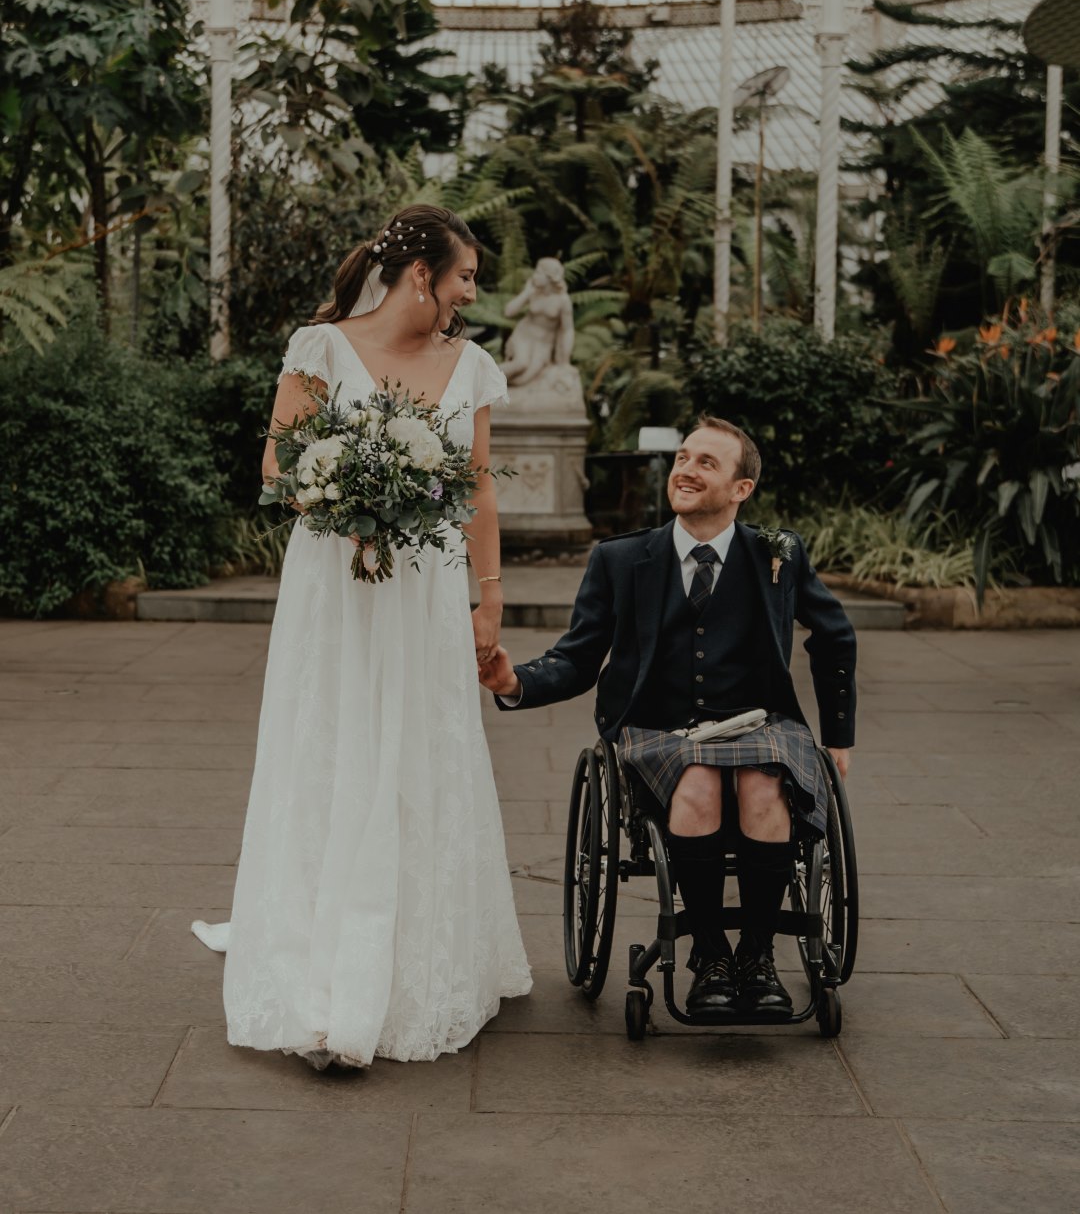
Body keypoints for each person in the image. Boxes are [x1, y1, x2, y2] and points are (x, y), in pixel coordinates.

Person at [192, 204, 531, 1067]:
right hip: (335, 586)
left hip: (423, 591)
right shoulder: (322, 349)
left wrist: (488, 598)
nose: (469, 295)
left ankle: (417, 953)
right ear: (423, 275)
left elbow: (480, 491)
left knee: (419, 752)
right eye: (463, 278)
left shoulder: (472, 365)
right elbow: (277, 464)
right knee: (332, 747)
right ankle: (322, 968)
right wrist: (345, 500)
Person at [479, 416, 855, 1019]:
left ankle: (757, 960)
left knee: (763, 784)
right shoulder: (621, 559)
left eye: (707, 462)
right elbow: (578, 658)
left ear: (741, 488)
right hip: (657, 728)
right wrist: (514, 681)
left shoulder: (777, 554)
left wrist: (837, 736)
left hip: (761, 721)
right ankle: (709, 956)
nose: (686, 469)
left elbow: (835, 637)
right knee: (698, 780)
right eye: (683, 457)